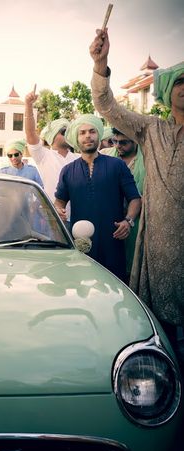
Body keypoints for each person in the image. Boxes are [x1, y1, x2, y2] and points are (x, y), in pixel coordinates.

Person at [89, 28, 183, 353]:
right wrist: (101, 65)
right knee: (161, 333)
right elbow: (105, 104)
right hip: (159, 246)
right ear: (168, 91)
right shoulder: (151, 130)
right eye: (179, 83)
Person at [54, 114, 141, 280]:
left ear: (98, 135)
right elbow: (59, 202)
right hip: (81, 244)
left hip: (113, 242)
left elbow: (135, 199)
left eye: (92, 131)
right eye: (83, 132)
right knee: (83, 289)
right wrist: (59, 211)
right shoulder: (67, 171)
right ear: (76, 138)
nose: (88, 136)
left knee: (115, 293)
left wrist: (128, 221)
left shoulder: (117, 165)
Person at [100, 128, 145, 277]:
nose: (118, 146)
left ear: (135, 141)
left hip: (138, 220)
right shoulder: (105, 155)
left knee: (133, 261)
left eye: (124, 142)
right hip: (110, 217)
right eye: (115, 141)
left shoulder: (147, 159)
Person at [25, 91, 80, 202]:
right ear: (52, 136)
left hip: (77, 216)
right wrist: (28, 105)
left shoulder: (78, 158)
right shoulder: (43, 156)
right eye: (64, 131)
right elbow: (30, 132)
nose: (68, 134)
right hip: (53, 215)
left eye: (71, 131)